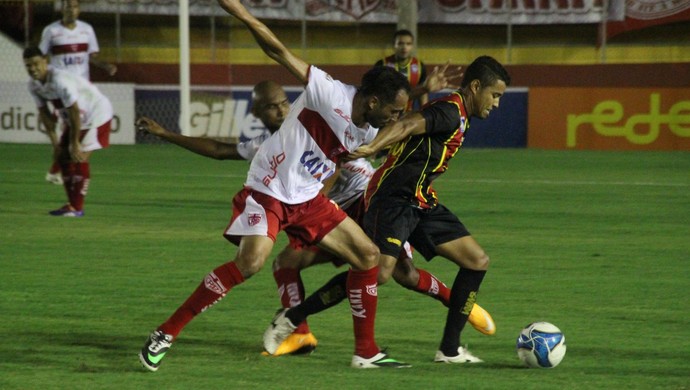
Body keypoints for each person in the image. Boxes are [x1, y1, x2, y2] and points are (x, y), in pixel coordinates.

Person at [138, 0, 412, 371]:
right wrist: (242, 12)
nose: (395, 118)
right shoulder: (330, 93)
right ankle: (166, 333)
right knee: (250, 263)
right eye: (393, 111)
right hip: (270, 188)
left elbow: (370, 143)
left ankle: (365, 352)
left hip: (308, 198)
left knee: (368, 257)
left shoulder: (369, 128)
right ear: (374, 100)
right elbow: (278, 51)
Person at [268, 55, 510, 364]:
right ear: (476, 87)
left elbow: (408, 121)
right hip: (393, 199)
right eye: (495, 95)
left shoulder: (461, 115)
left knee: (476, 260)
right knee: (377, 273)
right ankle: (293, 318)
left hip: (421, 200)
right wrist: (372, 146)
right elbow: (409, 123)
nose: (497, 103)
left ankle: (449, 350)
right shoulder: (450, 111)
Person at [23, 46, 114, 217]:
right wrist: (55, 144)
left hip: (96, 113)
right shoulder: (33, 86)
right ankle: (72, 205)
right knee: (62, 156)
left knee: (79, 156)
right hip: (77, 118)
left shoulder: (60, 81)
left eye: (36, 64)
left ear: (45, 61)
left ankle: (77, 208)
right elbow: (46, 116)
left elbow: (73, 111)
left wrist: (74, 143)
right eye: (28, 65)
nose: (33, 69)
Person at [39, 0, 117, 185]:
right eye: (67, 6)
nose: (71, 9)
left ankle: (58, 169)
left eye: (74, 6)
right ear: (62, 9)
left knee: (74, 128)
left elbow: (92, 56)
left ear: (78, 10)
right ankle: (70, 168)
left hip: (83, 89)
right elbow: (42, 56)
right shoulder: (51, 31)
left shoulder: (87, 29)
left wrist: (104, 65)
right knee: (75, 127)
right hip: (62, 88)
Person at [136, 80, 289, 161]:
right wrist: (164, 133)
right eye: (272, 106)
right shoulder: (263, 145)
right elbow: (218, 150)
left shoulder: (305, 126)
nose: (281, 111)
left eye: (284, 103)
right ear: (255, 113)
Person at [374, 29, 428, 112]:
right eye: (400, 43)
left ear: (412, 46)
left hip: (407, 116)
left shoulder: (419, 66)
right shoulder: (382, 65)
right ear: (394, 45)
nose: (404, 47)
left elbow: (423, 94)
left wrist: (425, 112)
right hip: (385, 116)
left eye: (408, 44)